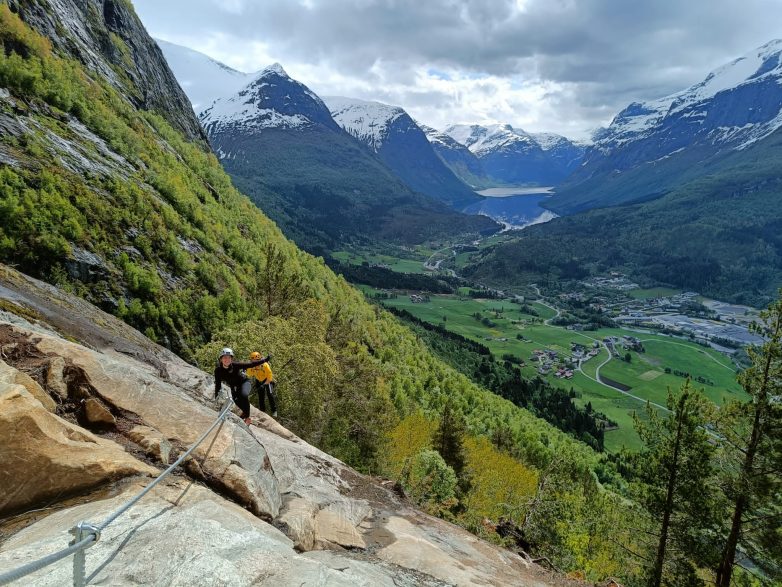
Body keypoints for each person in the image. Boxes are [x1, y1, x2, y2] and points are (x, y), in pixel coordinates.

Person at [214, 347, 268, 424]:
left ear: (231, 359)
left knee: (243, 395)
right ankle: (245, 412)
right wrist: (216, 399)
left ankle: (247, 417)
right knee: (236, 401)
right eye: (225, 358)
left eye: (229, 358)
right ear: (221, 359)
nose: (227, 360)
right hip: (234, 387)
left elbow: (251, 364)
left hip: (244, 382)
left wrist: (264, 360)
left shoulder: (235, 365)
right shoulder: (218, 371)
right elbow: (218, 385)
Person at [246, 351, 277, 418]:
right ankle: (262, 412)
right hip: (259, 380)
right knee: (261, 396)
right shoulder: (252, 366)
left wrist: (264, 385)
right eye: (253, 361)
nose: (255, 362)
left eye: (256, 361)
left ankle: (274, 410)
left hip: (267, 380)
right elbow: (249, 374)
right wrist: (249, 368)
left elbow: (270, 377)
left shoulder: (265, 365)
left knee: (270, 394)